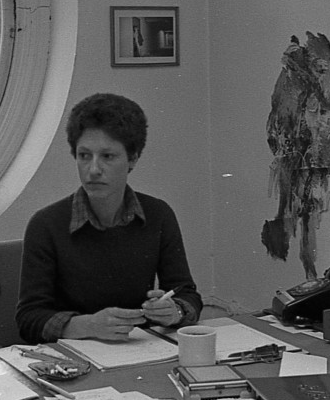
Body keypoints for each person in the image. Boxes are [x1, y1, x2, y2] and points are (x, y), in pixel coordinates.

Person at [15, 93, 203, 345]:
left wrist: (174, 311)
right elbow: (29, 318)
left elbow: (187, 294)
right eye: (84, 155)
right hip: (74, 355)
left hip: (138, 348)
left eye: (108, 156)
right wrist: (88, 325)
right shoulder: (46, 224)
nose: (93, 169)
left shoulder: (158, 215)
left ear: (132, 159)